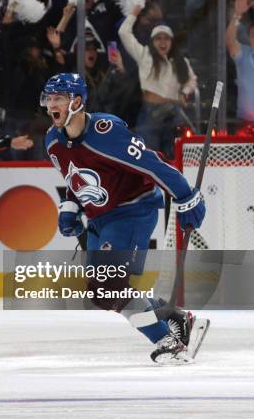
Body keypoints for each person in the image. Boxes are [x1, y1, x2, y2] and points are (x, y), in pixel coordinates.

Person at [41, 73, 209, 364]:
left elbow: (152, 164)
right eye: (49, 98)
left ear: (77, 101)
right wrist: (70, 206)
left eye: (58, 98)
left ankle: (168, 341)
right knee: (102, 293)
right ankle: (174, 319)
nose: (50, 104)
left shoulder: (107, 133)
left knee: (109, 288)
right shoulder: (53, 140)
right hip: (99, 219)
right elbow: (75, 176)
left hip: (131, 212)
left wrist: (185, 195)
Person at [119, 5, 197, 159]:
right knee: (147, 158)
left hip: (174, 113)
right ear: (153, 41)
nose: (162, 42)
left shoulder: (181, 62)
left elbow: (192, 81)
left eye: (166, 38)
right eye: (158, 38)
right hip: (150, 114)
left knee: (176, 158)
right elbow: (123, 32)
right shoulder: (144, 55)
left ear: (171, 41)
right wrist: (134, 12)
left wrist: (184, 92)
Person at [226, 0, 254, 130]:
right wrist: (237, 14)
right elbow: (230, 42)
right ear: (249, 39)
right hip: (245, 124)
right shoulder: (244, 54)